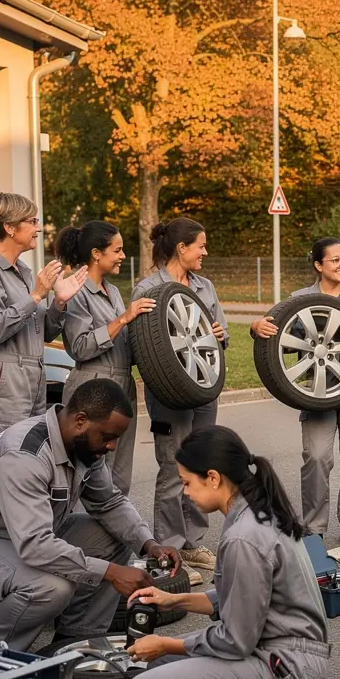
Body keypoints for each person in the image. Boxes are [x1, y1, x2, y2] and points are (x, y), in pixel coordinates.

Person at [125, 426, 330, 679]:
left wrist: (168, 643)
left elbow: (235, 640)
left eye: (188, 483)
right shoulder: (257, 514)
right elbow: (242, 598)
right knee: (157, 666)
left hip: (288, 672)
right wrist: (174, 599)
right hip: (282, 657)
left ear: (214, 478)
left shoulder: (243, 538)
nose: (185, 493)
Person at [0, 379, 179, 653]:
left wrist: (149, 544)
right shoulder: (24, 455)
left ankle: (73, 642)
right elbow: (36, 545)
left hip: (27, 534)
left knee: (116, 536)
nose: (111, 447)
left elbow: (109, 502)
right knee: (50, 587)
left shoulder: (84, 446)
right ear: (81, 420)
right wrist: (111, 572)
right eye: (108, 437)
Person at [250, 237, 340, 550]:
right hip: (317, 389)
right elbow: (273, 327)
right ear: (318, 265)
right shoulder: (300, 299)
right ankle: (314, 529)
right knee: (316, 458)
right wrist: (256, 327)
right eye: (335, 260)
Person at [132, 219, 228, 584]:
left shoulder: (205, 286)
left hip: (203, 388)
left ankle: (193, 542)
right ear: (181, 248)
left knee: (202, 465)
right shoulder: (147, 288)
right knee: (172, 470)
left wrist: (219, 335)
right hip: (168, 396)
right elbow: (142, 344)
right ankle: (170, 549)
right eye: (200, 246)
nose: (205, 252)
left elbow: (221, 334)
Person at [0, 192, 89, 448]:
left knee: (28, 460)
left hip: (32, 378)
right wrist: (36, 295)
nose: (38, 228)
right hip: (3, 381)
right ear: (9, 227)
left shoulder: (25, 272)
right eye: (32, 221)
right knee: (4, 461)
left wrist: (59, 302)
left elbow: (43, 332)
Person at [55, 221, 156, 493]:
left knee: (119, 477)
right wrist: (124, 318)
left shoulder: (112, 291)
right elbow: (80, 347)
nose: (123, 256)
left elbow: (123, 344)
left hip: (123, 385)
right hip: (93, 385)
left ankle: (114, 534)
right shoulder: (76, 291)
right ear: (97, 254)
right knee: (88, 476)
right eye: (118, 250)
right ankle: (81, 534)